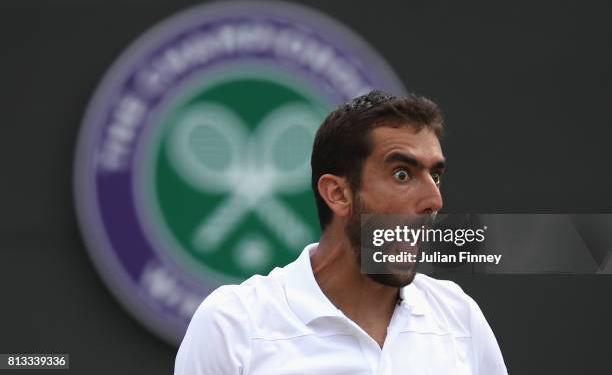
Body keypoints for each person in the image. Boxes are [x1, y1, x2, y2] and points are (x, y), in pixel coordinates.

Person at [174, 90, 508, 374]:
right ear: (338, 193)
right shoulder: (232, 325)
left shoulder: (459, 316)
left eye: (435, 176)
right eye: (402, 175)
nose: (434, 200)